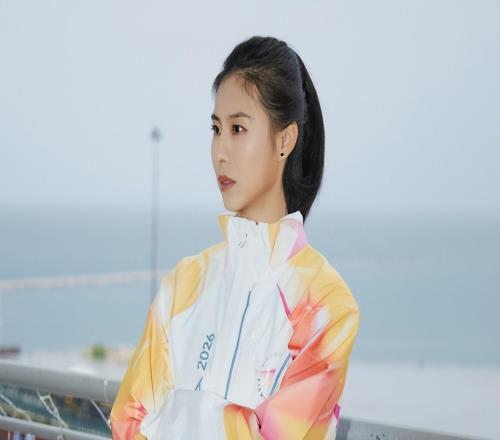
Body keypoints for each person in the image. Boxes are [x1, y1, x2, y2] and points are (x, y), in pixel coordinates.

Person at [109, 35, 361, 440]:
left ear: (285, 140)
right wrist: (234, 419)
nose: (220, 152)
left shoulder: (325, 307)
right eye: (216, 129)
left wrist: (175, 411)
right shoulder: (184, 284)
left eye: (238, 128)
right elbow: (127, 422)